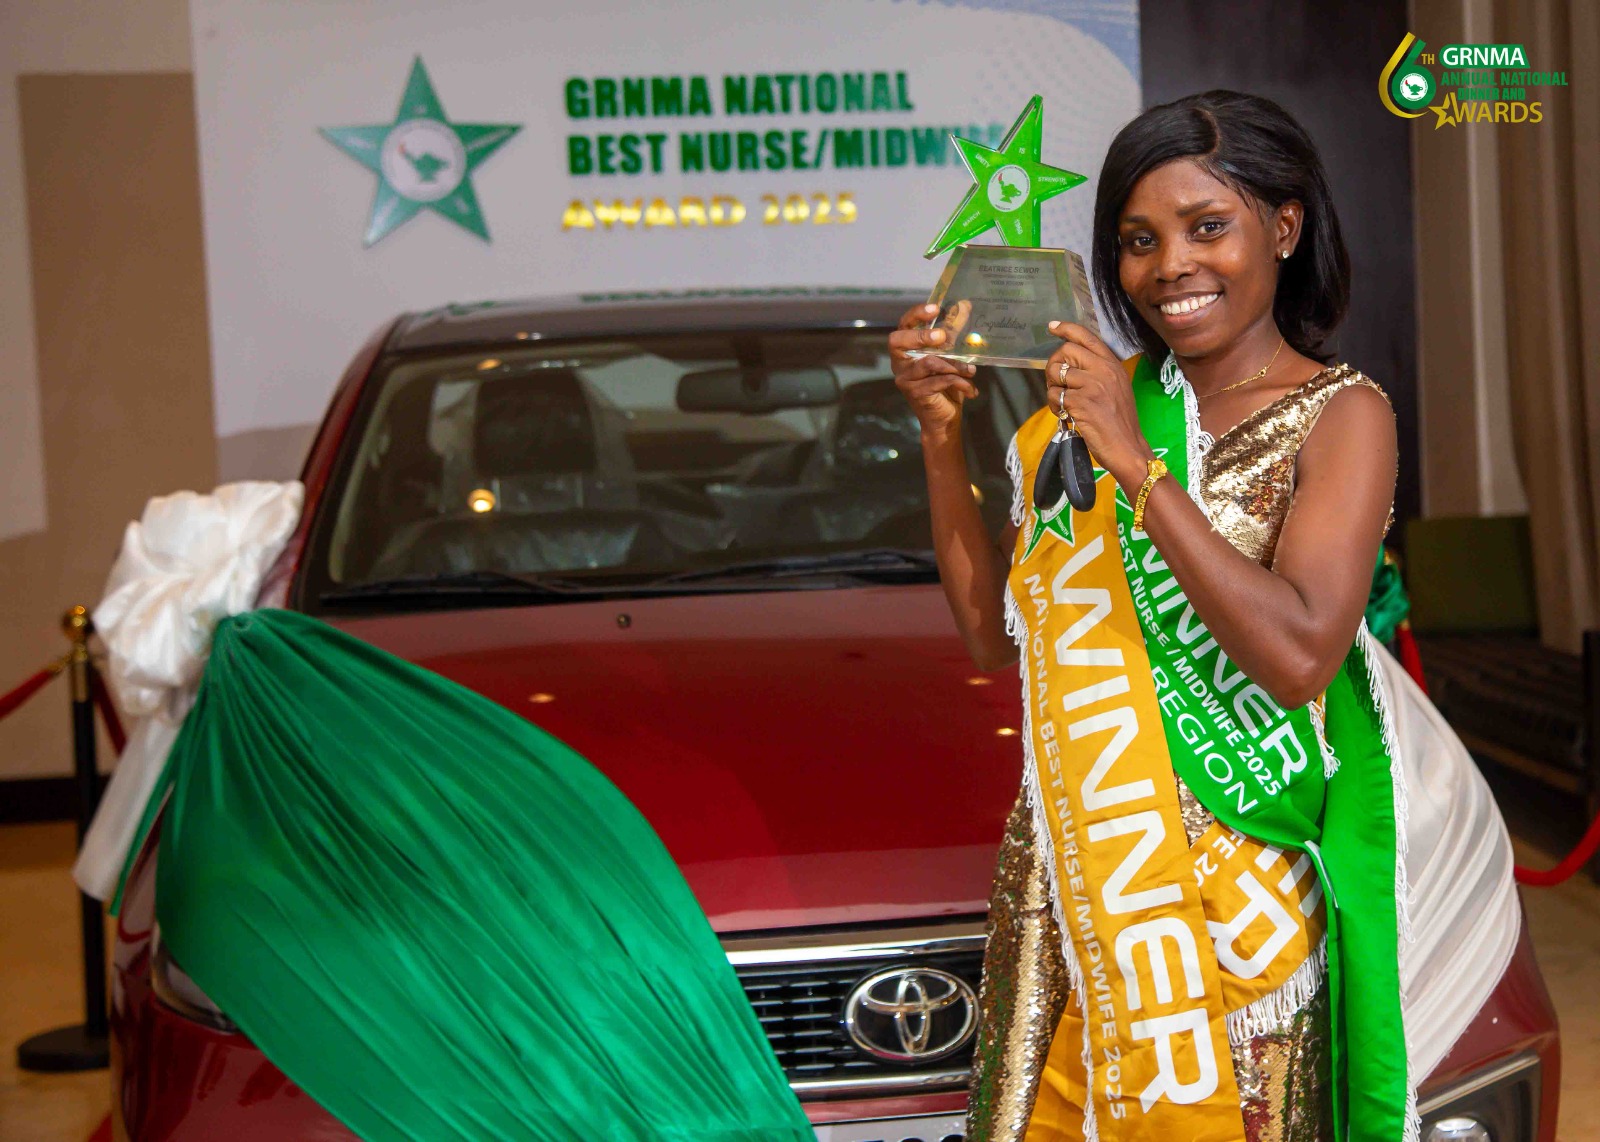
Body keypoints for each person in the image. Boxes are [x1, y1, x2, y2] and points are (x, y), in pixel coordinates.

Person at [891, 90, 1410, 1142]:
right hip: (1078, 888)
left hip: (1242, 907)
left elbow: (1300, 654)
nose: (1171, 265)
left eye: (1206, 226)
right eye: (1138, 241)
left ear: (1284, 226)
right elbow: (991, 635)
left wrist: (1135, 464)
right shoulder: (1081, 408)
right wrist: (941, 440)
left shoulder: (1341, 414)